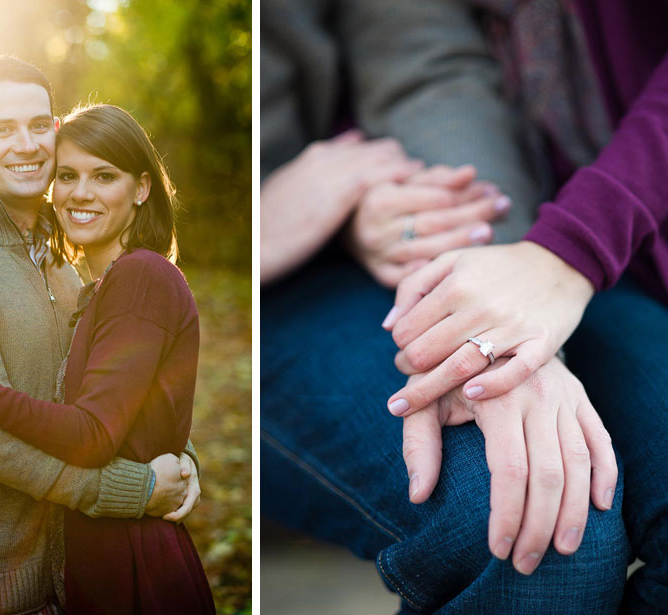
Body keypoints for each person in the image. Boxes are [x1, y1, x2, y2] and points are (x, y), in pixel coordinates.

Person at [261, 1, 628, 613]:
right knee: (521, 528)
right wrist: (263, 225)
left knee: (557, 492)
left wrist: (487, 294)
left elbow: (427, 71)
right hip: (266, 294)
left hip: (378, 238)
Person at [0, 56, 200, 615]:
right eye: (2, 129)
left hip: (62, 578)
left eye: (38, 125)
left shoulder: (60, 256)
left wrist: (179, 454)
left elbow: (106, 389)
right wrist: (140, 489)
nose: (26, 145)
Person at [382, 1, 668, 611]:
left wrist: (568, 254)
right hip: (532, 234)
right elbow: (426, 76)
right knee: (540, 534)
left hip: (607, 243)